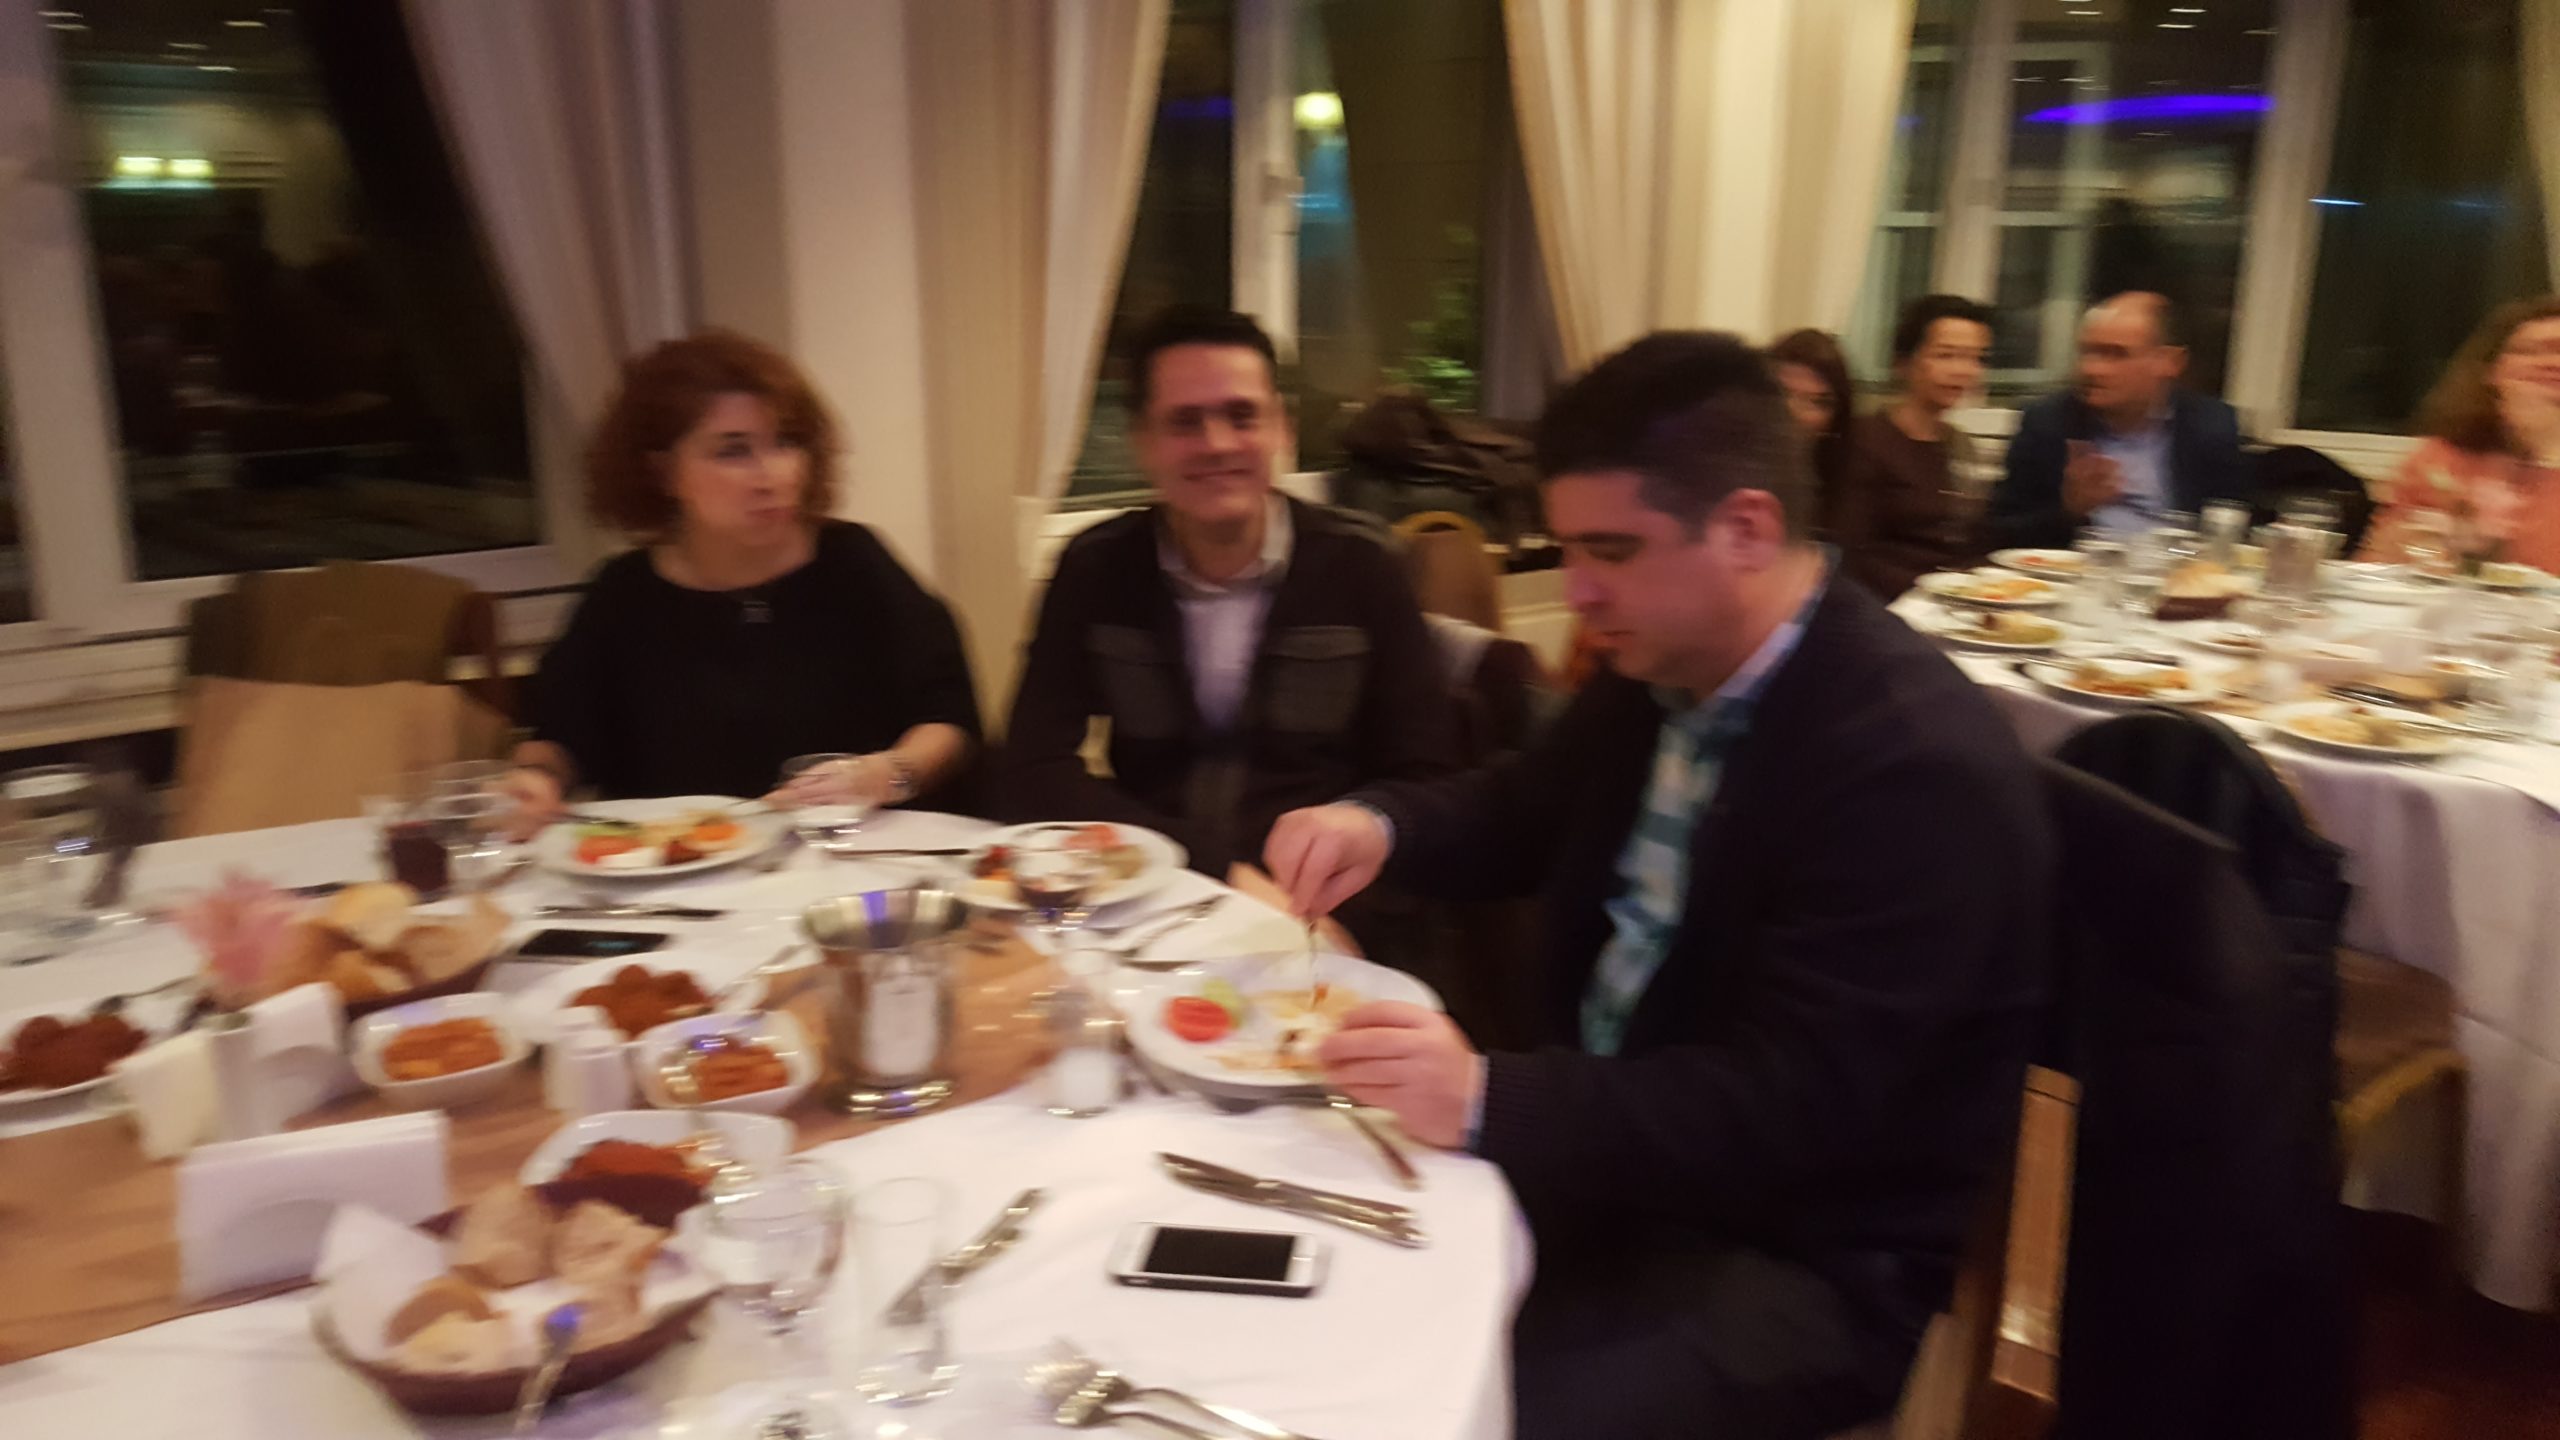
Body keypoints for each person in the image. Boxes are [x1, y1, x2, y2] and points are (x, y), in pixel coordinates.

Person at [1264, 332, 2049, 1438]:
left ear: (1746, 529)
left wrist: (1488, 1099)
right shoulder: (1667, 665)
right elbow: (1524, 806)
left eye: (1611, 551)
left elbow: (1787, 1112)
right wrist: (1378, 825)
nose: (1578, 592)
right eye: (1569, 550)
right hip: (1614, 1162)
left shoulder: (1913, 768)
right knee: (1297, 1296)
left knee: (1405, 1412)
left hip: (1791, 1256)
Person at [997, 306, 1452, 884]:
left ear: (1282, 428)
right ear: (1143, 442)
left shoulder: (1363, 564)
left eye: (1242, 416)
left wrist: (1332, 874)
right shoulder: (1094, 568)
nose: (1216, 444)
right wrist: (1215, 869)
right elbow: (1031, 768)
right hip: (1154, 888)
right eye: (1185, 422)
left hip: (1323, 893)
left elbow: (1425, 779)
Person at [504, 332, 979, 829]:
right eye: (733, 451)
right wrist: (535, 781)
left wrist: (887, 774)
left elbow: (948, 717)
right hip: (678, 862)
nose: (770, 476)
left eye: (786, 443)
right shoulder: (622, 594)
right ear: (663, 472)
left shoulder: (854, 563)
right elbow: (559, 737)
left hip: (847, 849)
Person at [1985, 290, 2250, 549]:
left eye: (2115, 354)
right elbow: (2002, 533)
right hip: (2080, 571)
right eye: (2087, 352)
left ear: (2169, 362)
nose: (2091, 369)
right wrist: (2069, 510)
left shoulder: (2211, 425)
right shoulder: (2048, 422)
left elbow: (2232, 525)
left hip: (2176, 568)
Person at [2359, 295, 2560, 573]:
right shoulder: (2443, 458)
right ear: (2492, 371)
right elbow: (2375, 568)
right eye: (2530, 350)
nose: (2551, 362)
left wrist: (2548, 446)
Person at [1826, 295, 1993, 598]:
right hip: (1891, 605)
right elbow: (1851, 555)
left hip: (1956, 603)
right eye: (1946, 355)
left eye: (1975, 358)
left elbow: (1970, 540)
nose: (1963, 370)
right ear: (1904, 362)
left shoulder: (1960, 444)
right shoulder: (1866, 439)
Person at [1767, 328, 1854, 521]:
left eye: (1816, 402)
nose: (1795, 412)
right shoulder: (1730, 471)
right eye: (1784, 394)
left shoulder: (1847, 482)